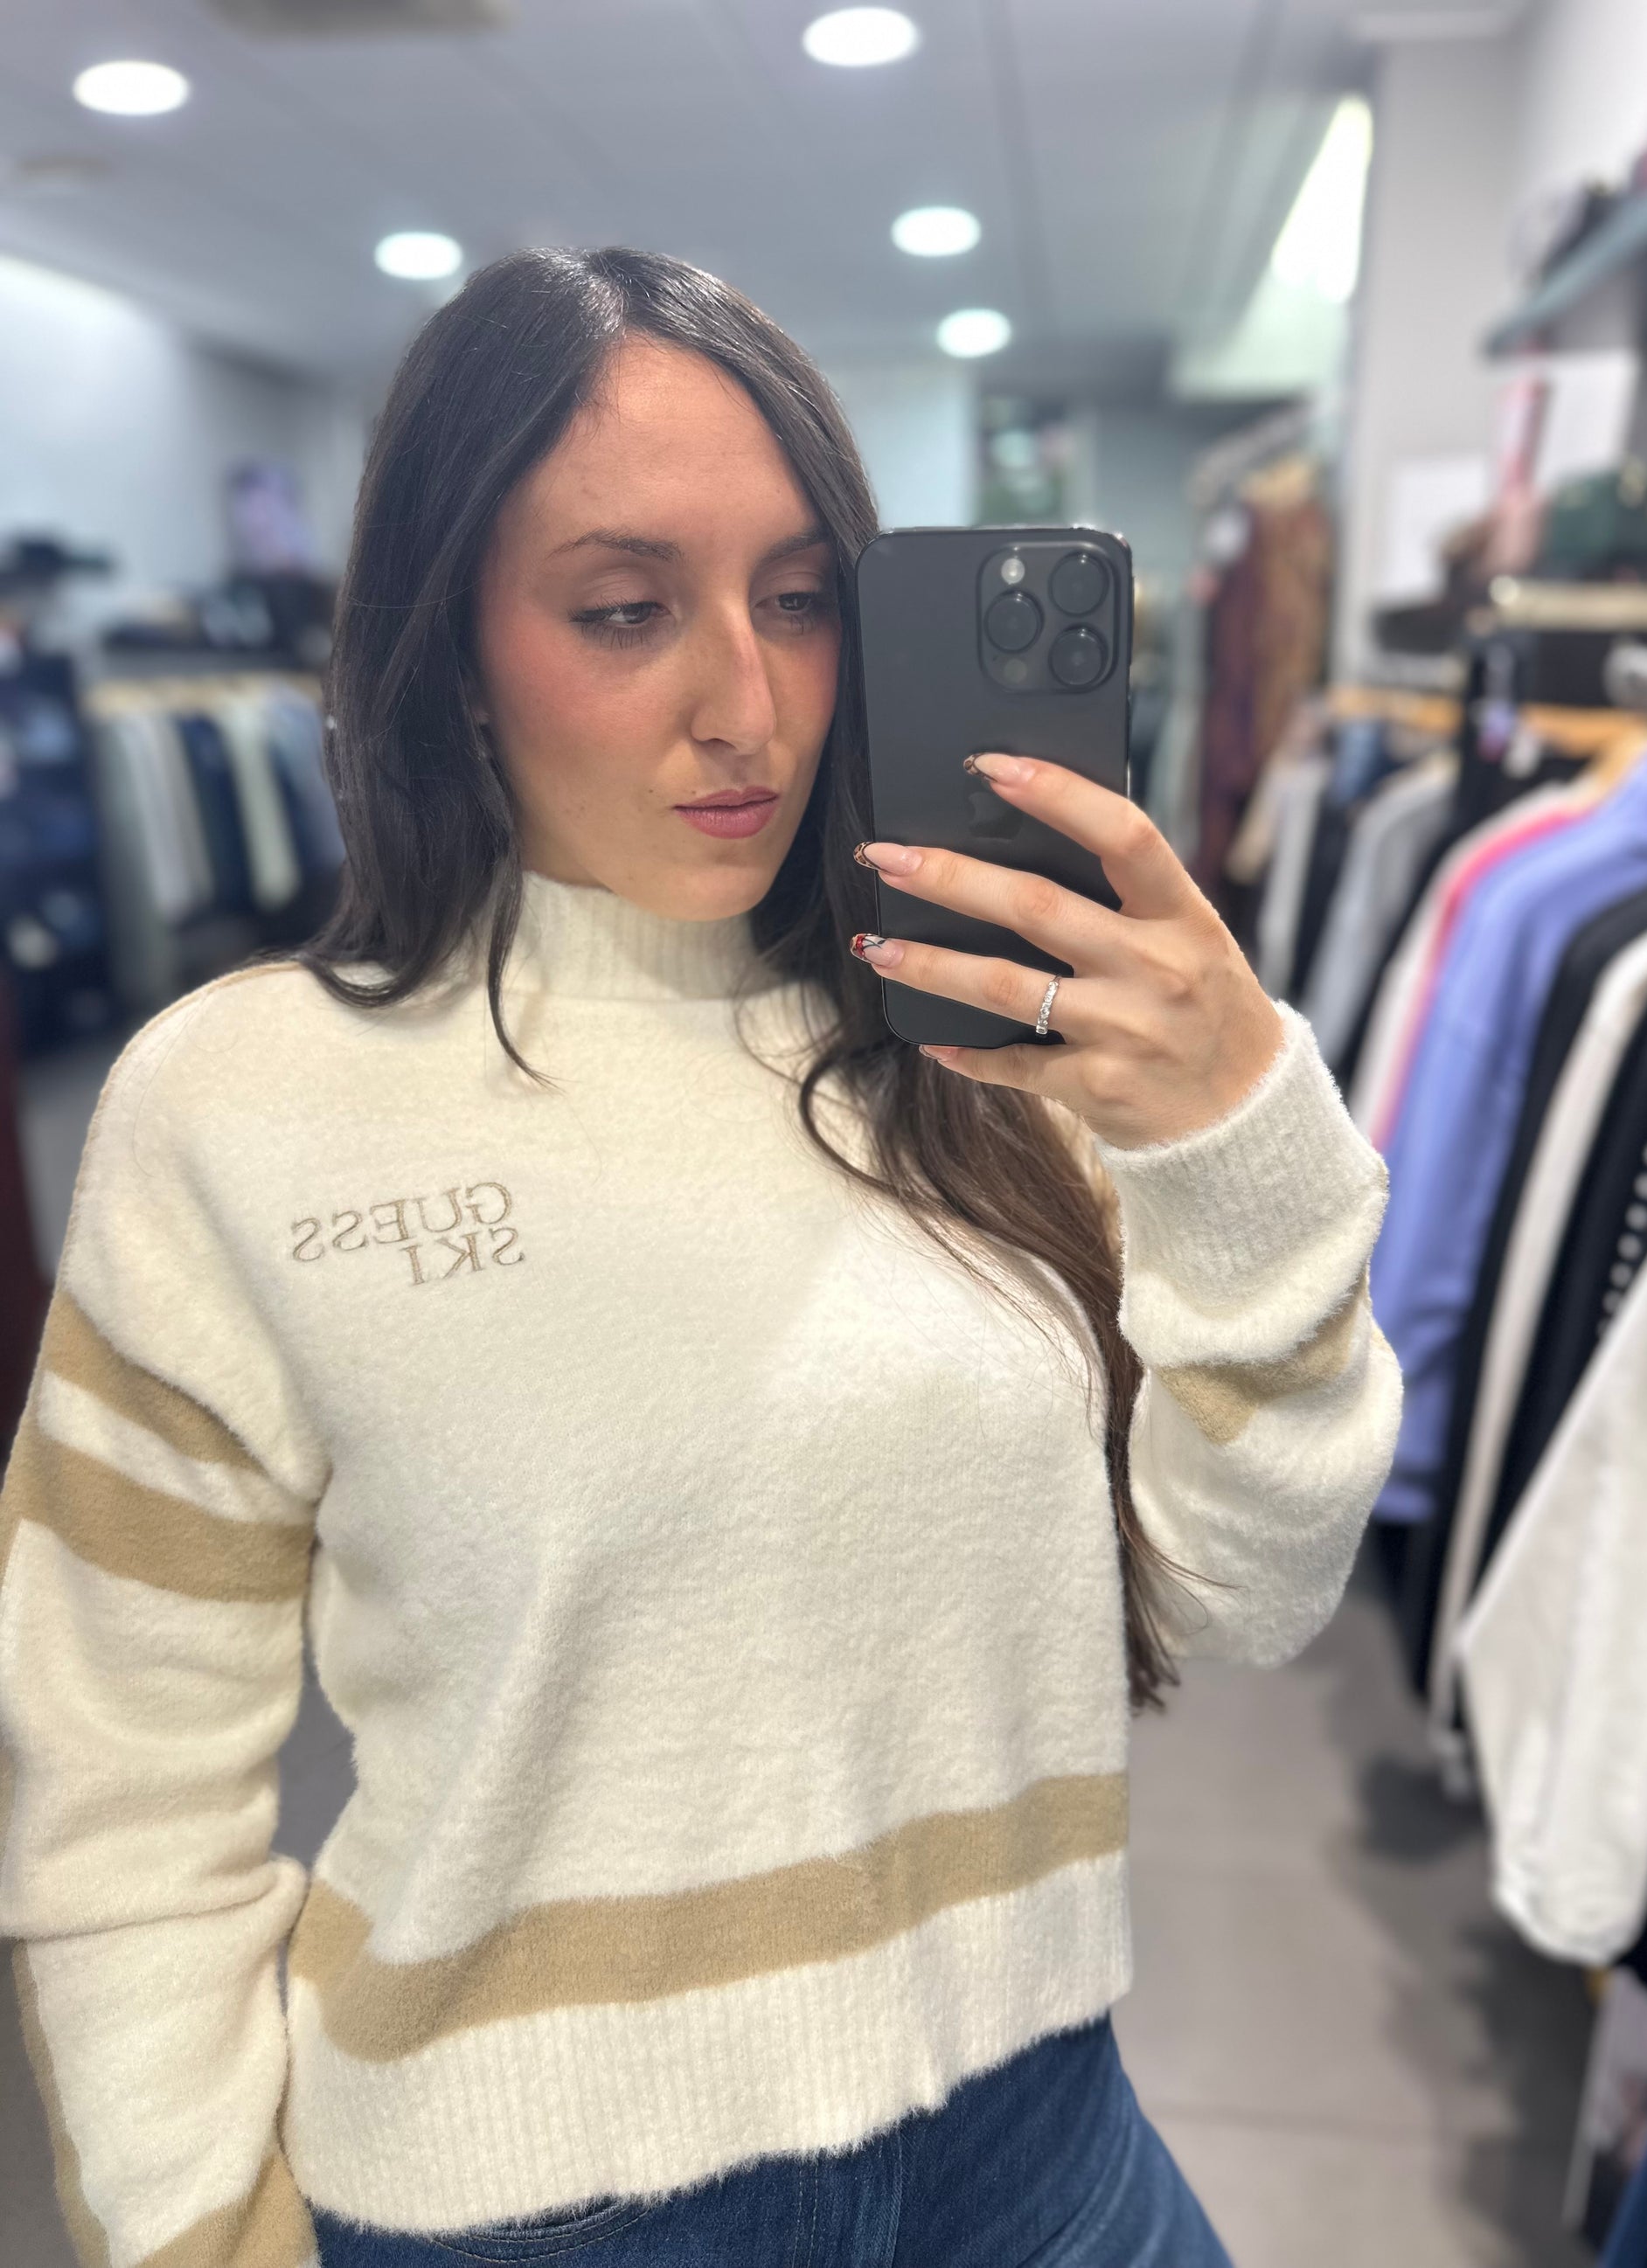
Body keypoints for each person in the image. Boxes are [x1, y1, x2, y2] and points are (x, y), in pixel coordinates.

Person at [0, 248, 1401, 2268]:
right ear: (450, 649)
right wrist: (198, 2231)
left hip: (1042, 2144)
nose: (745, 702)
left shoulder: (996, 1055)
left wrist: (1236, 1132)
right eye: (622, 608)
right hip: (543, 2207)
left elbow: (1248, 1596)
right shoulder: (240, 1109)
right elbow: (119, 1783)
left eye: (802, 598)